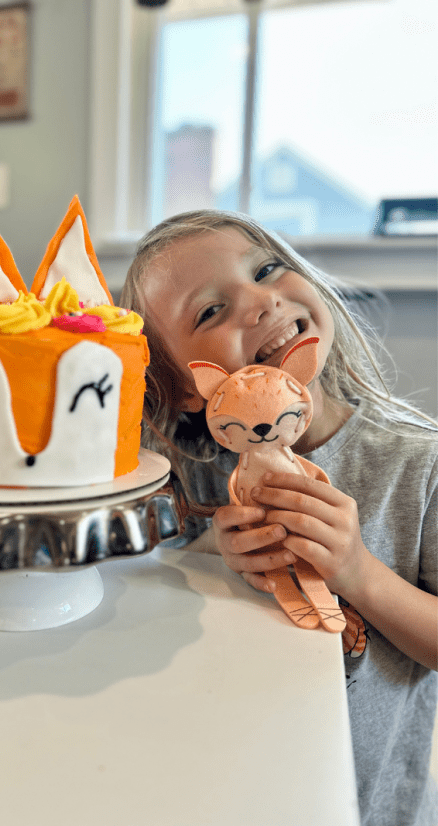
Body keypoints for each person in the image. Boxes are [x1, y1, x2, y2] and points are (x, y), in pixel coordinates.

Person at [120, 210, 438, 826]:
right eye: (209, 311)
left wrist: (359, 573)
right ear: (188, 386)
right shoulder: (192, 479)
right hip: (236, 779)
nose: (260, 303)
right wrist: (214, 543)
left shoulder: (419, 466)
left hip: (367, 800)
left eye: (266, 269)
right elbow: (140, 580)